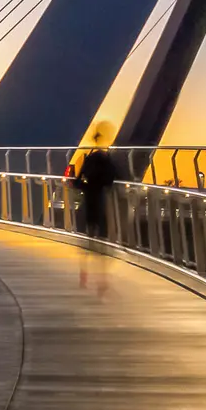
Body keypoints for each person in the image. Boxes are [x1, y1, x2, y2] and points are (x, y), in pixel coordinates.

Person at [67, 123, 123, 294]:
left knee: (88, 240)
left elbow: (78, 181)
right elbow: (112, 180)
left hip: (88, 202)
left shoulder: (89, 159)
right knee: (102, 242)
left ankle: (84, 274)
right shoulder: (108, 161)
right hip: (101, 201)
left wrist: (76, 184)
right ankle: (102, 280)